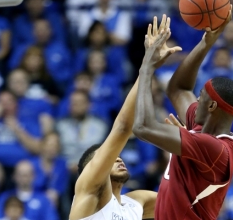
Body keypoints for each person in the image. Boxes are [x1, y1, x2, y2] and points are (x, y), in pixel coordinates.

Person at [68, 15, 181, 220]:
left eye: (115, 156)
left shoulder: (135, 202)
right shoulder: (89, 192)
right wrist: (148, 65)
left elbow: (183, 204)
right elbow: (122, 128)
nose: (117, 157)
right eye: (107, 157)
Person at [132, 10, 233, 219]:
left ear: (211, 108)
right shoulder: (202, 128)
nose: (196, 100)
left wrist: (147, 66)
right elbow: (178, 89)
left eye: (200, 97)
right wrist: (207, 42)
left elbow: (142, 127)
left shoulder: (216, 150)